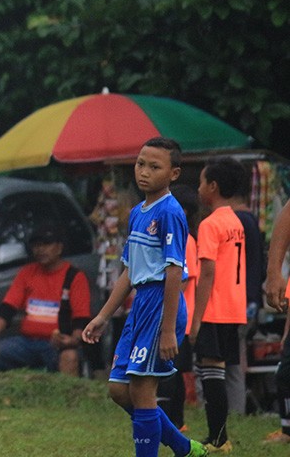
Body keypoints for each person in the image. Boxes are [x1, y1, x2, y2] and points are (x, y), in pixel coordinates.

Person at [82, 137, 205, 457]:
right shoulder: (138, 212)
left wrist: (167, 330)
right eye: (140, 164)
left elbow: (175, 272)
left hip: (161, 305)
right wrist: (103, 316)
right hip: (140, 306)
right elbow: (129, 271)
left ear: (173, 174)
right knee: (118, 390)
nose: (144, 172)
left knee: (141, 391)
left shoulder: (170, 212)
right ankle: (183, 447)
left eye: (155, 166)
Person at [0, 225, 91, 377]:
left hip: (56, 345)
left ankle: (67, 400)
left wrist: (72, 340)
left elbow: (81, 318)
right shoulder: (27, 273)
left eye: (46, 244)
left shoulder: (74, 277)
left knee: (70, 357)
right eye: (36, 246)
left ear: (59, 248)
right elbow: (7, 309)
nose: (40, 250)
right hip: (26, 343)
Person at [190, 157, 248, 452]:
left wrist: (196, 317)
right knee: (219, 371)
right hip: (233, 307)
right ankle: (220, 436)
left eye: (201, 181)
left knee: (211, 372)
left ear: (212, 187)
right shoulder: (235, 221)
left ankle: (219, 439)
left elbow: (208, 271)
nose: (198, 188)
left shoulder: (210, 224)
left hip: (214, 308)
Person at [157, 184, 200, 430]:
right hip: (176, 315)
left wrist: (165, 311)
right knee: (171, 369)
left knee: (171, 370)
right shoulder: (178, 235)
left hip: (179, 317)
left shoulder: (185, 238)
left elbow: (183, 279)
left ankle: (176, 421)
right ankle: (174, 421)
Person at [225, 177, 263, 415]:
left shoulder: (235, 221)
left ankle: (236, 413)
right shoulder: (250, 220)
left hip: (237, 303)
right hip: (248, 302)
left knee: (232, 364)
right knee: (235, 361)